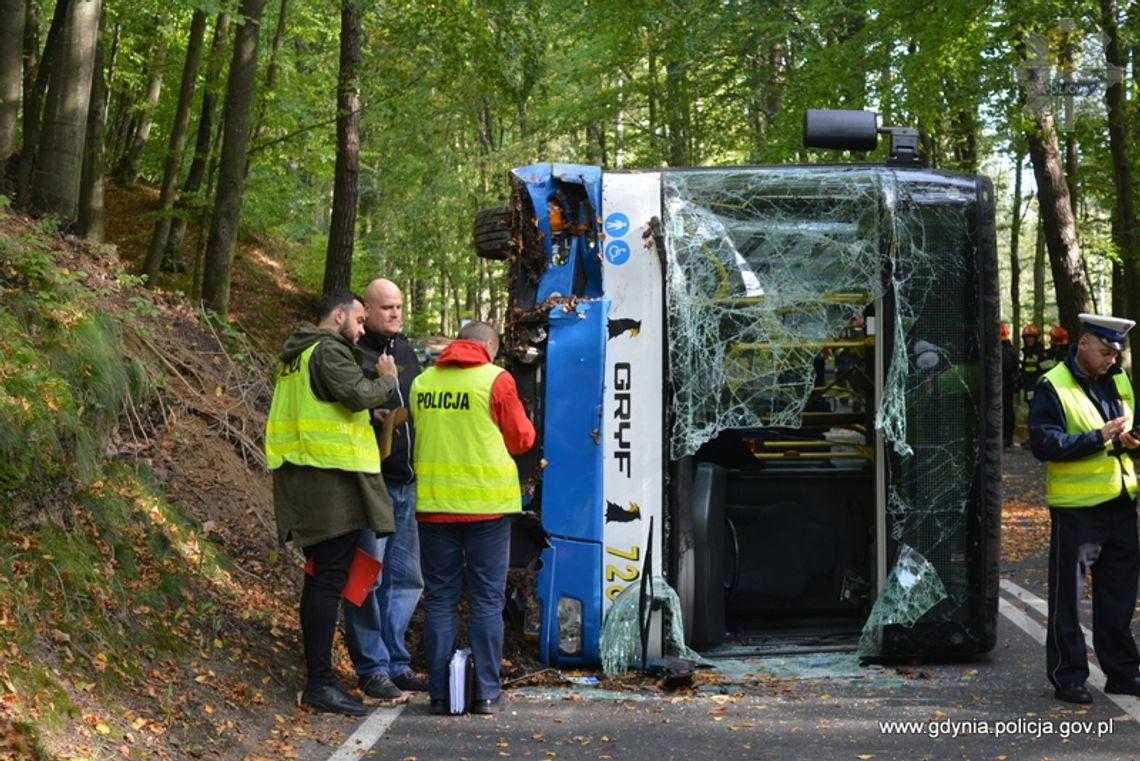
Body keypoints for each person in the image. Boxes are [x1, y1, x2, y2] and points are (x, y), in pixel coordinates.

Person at [264, 290, 400, 716]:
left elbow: (332, 406)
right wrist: (387, 380)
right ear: (338, 316)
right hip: (328, 485)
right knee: (327, 581)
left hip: (310, 478)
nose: (362, 330)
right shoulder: (327, 350)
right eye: (359, 320)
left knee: (326, 577)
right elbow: (357, 392)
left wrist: (367, 417)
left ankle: (322, 680)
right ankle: (320, 683)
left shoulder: (298, 355)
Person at [411, 321, 536, 716]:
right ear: (488, 346)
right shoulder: (495, 380)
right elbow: (522, 439)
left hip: (434, 507)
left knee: (441, 599)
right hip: (487, 508)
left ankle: (438, 694)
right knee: (486, 599)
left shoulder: (423, 383)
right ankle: (484, 693)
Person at [1028, 312, 1140, 704]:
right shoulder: (1052, 386)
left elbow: (1127, 429)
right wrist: (1099, 437)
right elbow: (1044, 444)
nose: (1112, 359)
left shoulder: (1119, 379)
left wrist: (1129, 438)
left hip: (1121, 502)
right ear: (1085, 343)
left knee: (1119, 596)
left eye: (1116, 353)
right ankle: (1068, 675)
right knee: (1068, 601)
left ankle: (1122, 672)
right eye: (1107, 351)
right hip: (1076, 510)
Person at [342, 278, 428, 699]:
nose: (395, 313)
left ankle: (396, 661)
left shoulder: (407, 352)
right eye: (386, 308)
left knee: (406, 578)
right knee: (366, 578)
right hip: (370, 484)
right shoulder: (354, 354)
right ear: (367, 311)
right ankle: (371, 666)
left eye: (399, 306)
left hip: (408, 483)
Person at [1000, 323, 1018, 448]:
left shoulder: (1004, 351)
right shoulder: (1011, 350)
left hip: (1005, 386)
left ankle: (1006, 438)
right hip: (1007, 386)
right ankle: (1006, 437)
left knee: (1006, 411)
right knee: (1007, 411)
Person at [1020, 323, 1045, 402]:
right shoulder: (1025, 352)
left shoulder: (1041, 352)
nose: (1028, 339)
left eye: (1030, 337)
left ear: (1036, 338)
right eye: (1026, 337)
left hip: (1038, 388)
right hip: (1028, 387)